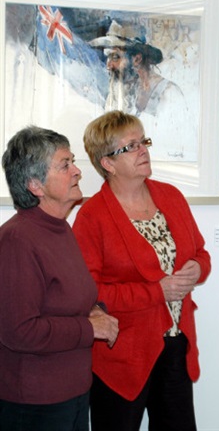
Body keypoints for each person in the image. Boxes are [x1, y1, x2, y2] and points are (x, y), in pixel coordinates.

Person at [72, 111, 211, 431]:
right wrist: (156, 292)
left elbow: (201, 254)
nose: (143, 150)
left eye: (143, 141)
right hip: (122, 354)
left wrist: (196, 268)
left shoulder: (171, 197)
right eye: (131, 146)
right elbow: (89, 293)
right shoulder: (92, 216)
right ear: (107, 162)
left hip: (175, 345)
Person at [0, 126, 119, 431]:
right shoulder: (17, 240)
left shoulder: (60, 228)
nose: (78, 171)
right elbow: (19, 332)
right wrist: (89, 327)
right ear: (35, 185)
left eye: (73, 162)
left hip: (73, 393)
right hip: (35, 405)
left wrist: (95, 310)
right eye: (65, 165)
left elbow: (69, 299)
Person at [89, 21, 196, 161]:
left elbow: (178, 153)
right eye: (107, 57)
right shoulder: (119, 95)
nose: (109, 66)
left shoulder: (169, 94)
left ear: (137, 59)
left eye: (115, 57)